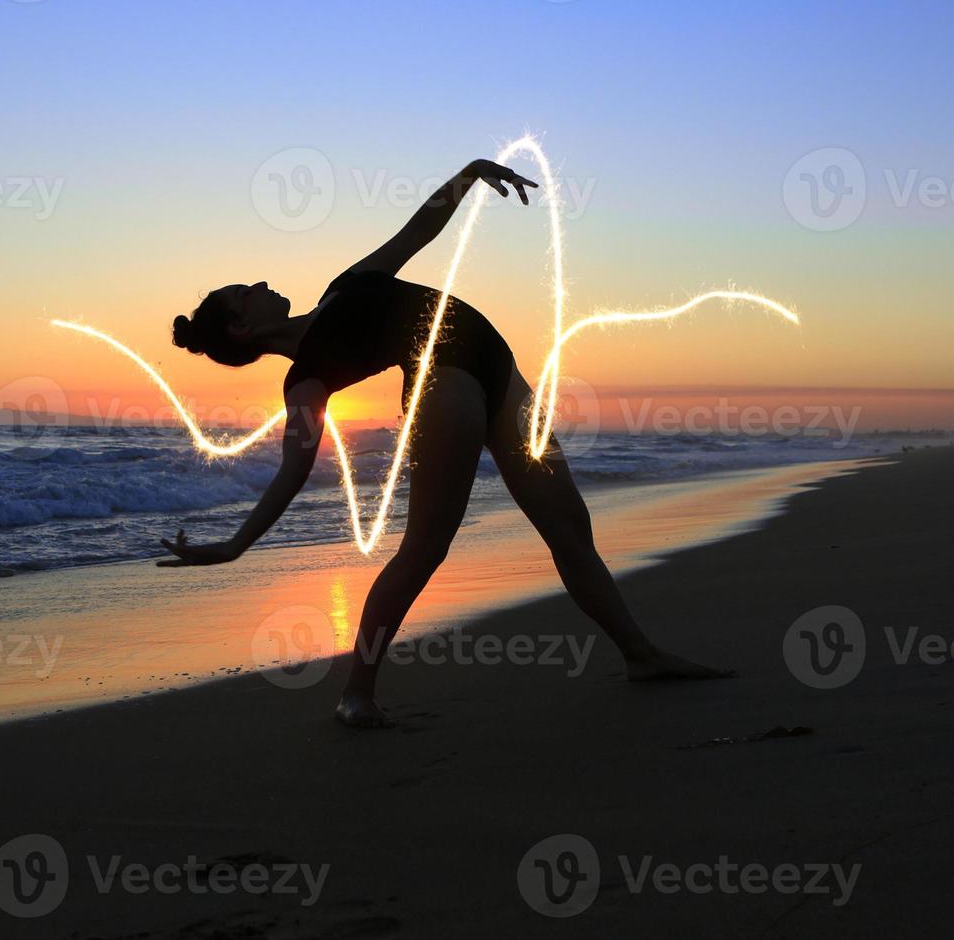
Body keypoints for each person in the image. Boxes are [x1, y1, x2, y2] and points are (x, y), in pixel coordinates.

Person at [161, 156, 731, 728]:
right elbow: (293, 469)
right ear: (242, 327)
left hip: (496, 366)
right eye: (246, 292)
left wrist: (470, 174)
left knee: (570, 528)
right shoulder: (305, 378)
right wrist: (236, 544)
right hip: (443, 381)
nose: (260, 285)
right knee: (426, 547)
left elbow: (418, 229)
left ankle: (640, 655)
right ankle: (355, 694)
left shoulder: (346, 285)